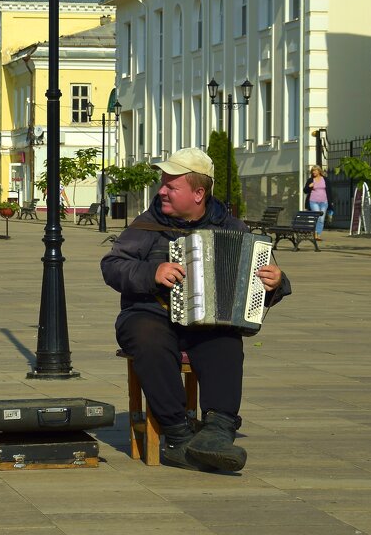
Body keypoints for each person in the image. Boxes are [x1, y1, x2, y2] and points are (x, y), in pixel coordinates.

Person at [100, 147, 291, 472]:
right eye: (163, 184)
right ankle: (177, 434)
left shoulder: (232, 227)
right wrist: (152, 273)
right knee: (148, 338)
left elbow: (256, 285)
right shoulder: (147, 226)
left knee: (225, 340)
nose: (161, 191)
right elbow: (112, 266)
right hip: (149, 313)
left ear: (198, 193)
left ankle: (218, 429)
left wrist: (277, 282)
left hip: (204, 320)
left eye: (171, 186)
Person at [303, 166, 329, 240]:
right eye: (313, 171)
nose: (314, 172)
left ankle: (318, 234)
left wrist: (330, 202)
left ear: (319, 171)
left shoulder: (325, 179)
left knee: (322, 219)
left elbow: (329, 191)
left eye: (315, 170)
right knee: (317, 217)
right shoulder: (310, 180)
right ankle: (315, 233)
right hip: (313, 201)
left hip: (324, 202)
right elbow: (305, 191)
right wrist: (309, 186)